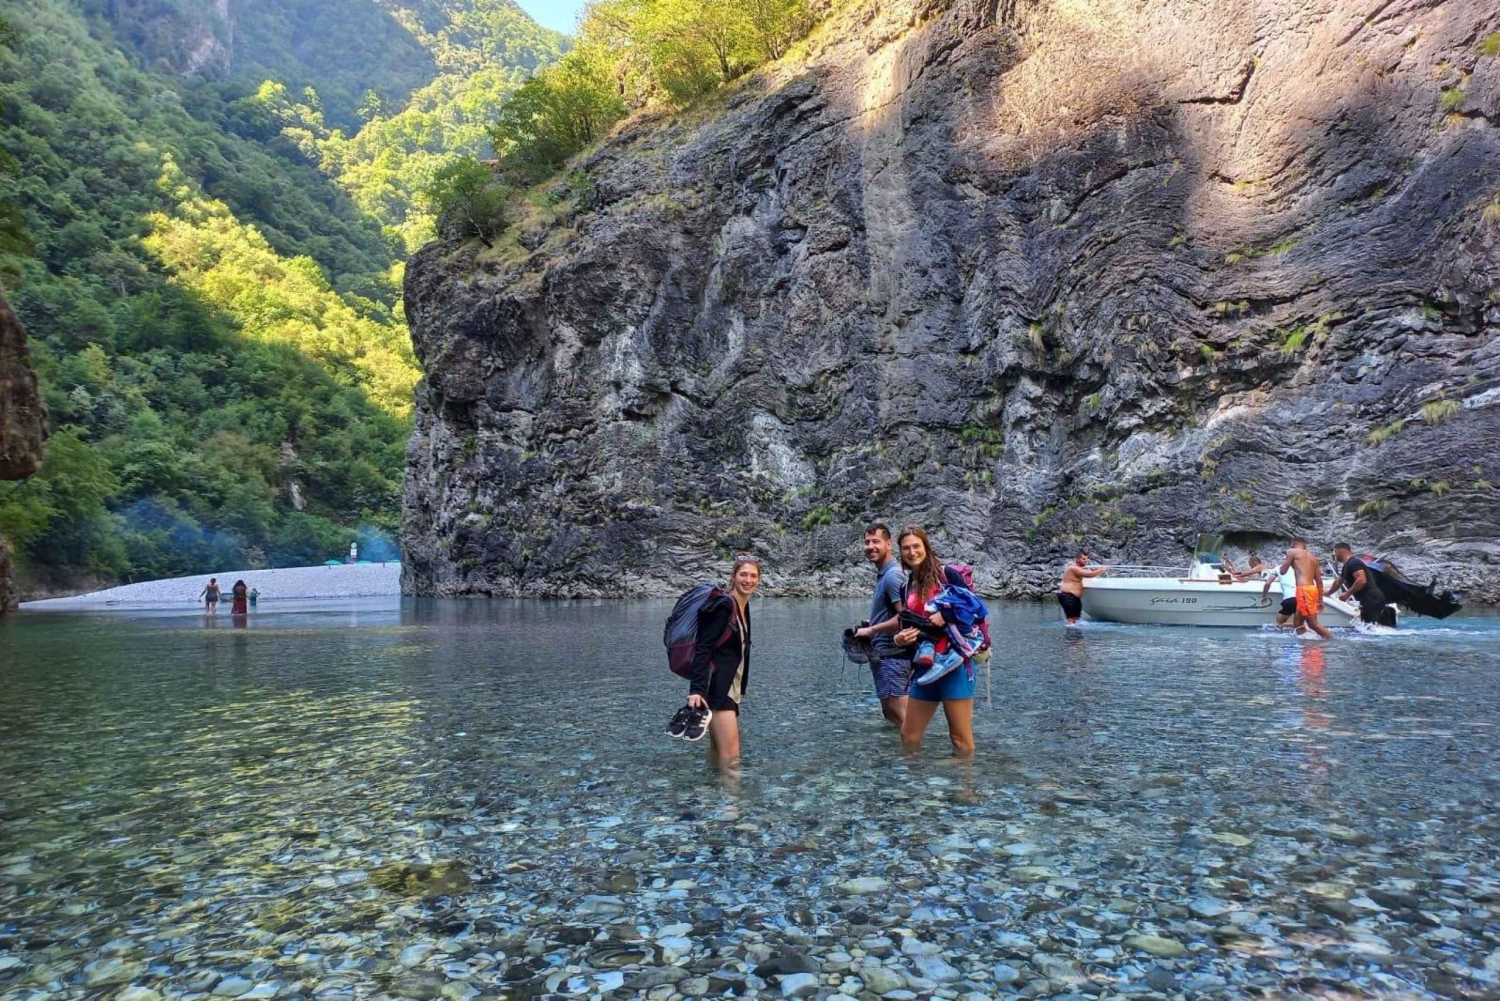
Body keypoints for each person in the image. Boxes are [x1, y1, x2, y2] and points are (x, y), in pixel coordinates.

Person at [890, 527, 975, 757]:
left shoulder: (947, 575)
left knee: (960, 738)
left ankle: (965, 789)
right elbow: (907, 625)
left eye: (916, 546)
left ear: (926, 547)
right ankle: (917, 789)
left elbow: (975, 611)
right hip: (925, 667)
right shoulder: (905, 585)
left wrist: (946, 615)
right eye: (906, 548)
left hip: (955, 664)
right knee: (909, 736)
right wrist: (899, 638)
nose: (912, 551)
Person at [686, 555, 761, 767]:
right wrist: (697, 690)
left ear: (759, 580)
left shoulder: (742, 607)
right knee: (732, 758)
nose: (748, 580)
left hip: (730, 689)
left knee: (718, 752)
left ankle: (712, 794)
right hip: (720, 690)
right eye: (743, 574)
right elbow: (703, 648)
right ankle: (734, 799)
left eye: (753, 576)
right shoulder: (724, 606)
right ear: (734, 577)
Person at [852, 524, 911, 727]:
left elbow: (906, 617)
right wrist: (874, 623)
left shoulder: (893, 575)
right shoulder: (885, 575)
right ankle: (906, 757)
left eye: (876, 541)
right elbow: (895, 614)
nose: (870, 546)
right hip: (886, 656)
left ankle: (916, 757)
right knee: (891, 714)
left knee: (901, 718)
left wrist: (872, 630)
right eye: (867, 542)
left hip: (894, 656)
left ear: (889, 544)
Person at [1277, 538, 1333, 639]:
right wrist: (1320, 600)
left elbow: (1282, 571)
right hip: (1311, 590)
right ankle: (1307, 645)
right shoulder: (1313, 558)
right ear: (1305, 545)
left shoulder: (1292, 552)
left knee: (1312, 624)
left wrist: (1287, 560)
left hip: (1304, 591)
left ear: (1292, 544)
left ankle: (1332, 641)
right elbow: (1319, 581)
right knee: (1298, 622)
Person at [1331, 543, 1391, 627]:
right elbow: (1338, 582)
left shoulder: (1354, 563)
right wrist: (1328, 593)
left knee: (1369, 628)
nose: (1334, 555)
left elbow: (1361, 580)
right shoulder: (1347, 565)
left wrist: (1347, 594)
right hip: (1370, 599)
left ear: (1340, 551)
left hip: (1372, 599)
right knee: (1371, 627)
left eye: (1334, 552)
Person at [1057, 550, 1108, 624]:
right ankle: (1071, 633)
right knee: (1071, 619)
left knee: (1076, 619)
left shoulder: (1079, 568)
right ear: (1077, 559)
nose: (1086, 561)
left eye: (1086, 559)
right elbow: (1089, 575)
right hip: (1068, 596)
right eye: (1083, 559)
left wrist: (1096, 570)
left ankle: (1075, 634)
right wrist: (1102, 569)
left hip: (1074, 598)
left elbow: (1088, 573)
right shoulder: (1073, 568)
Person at [1261, 557, 1299, 629]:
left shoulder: (1278, 568)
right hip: (1302, 598)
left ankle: (1300, 625)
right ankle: (1303, 626)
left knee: (1278, 624)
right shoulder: (1300, 568)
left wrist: (1264, 596)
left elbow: (1267, 583)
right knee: (1300, 622)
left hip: (1290, 599)